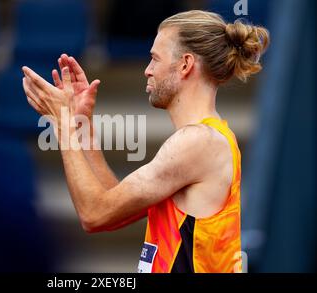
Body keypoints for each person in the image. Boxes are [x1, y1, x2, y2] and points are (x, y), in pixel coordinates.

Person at [22, 10, 269, 273]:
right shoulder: (204, 138)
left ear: (185, 64)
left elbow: (93, 214)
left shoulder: (198, 142)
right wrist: (81, 124)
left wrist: (63, 124)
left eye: (154, 59)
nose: (147, 71)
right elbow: (111, 207)